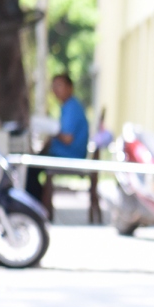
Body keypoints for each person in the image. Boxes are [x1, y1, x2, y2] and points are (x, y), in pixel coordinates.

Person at [26, 73, 89, 207]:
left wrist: (53, 131)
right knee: (31, 165)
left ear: (70, 88)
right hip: (62, 154)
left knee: (30, 170)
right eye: (54, 86)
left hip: (70, 156)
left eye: (59, 86)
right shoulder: (66, 106)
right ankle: (39, 204)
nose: (55, 90)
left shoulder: (72, 107)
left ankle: (36, 207)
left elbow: (66, 139)